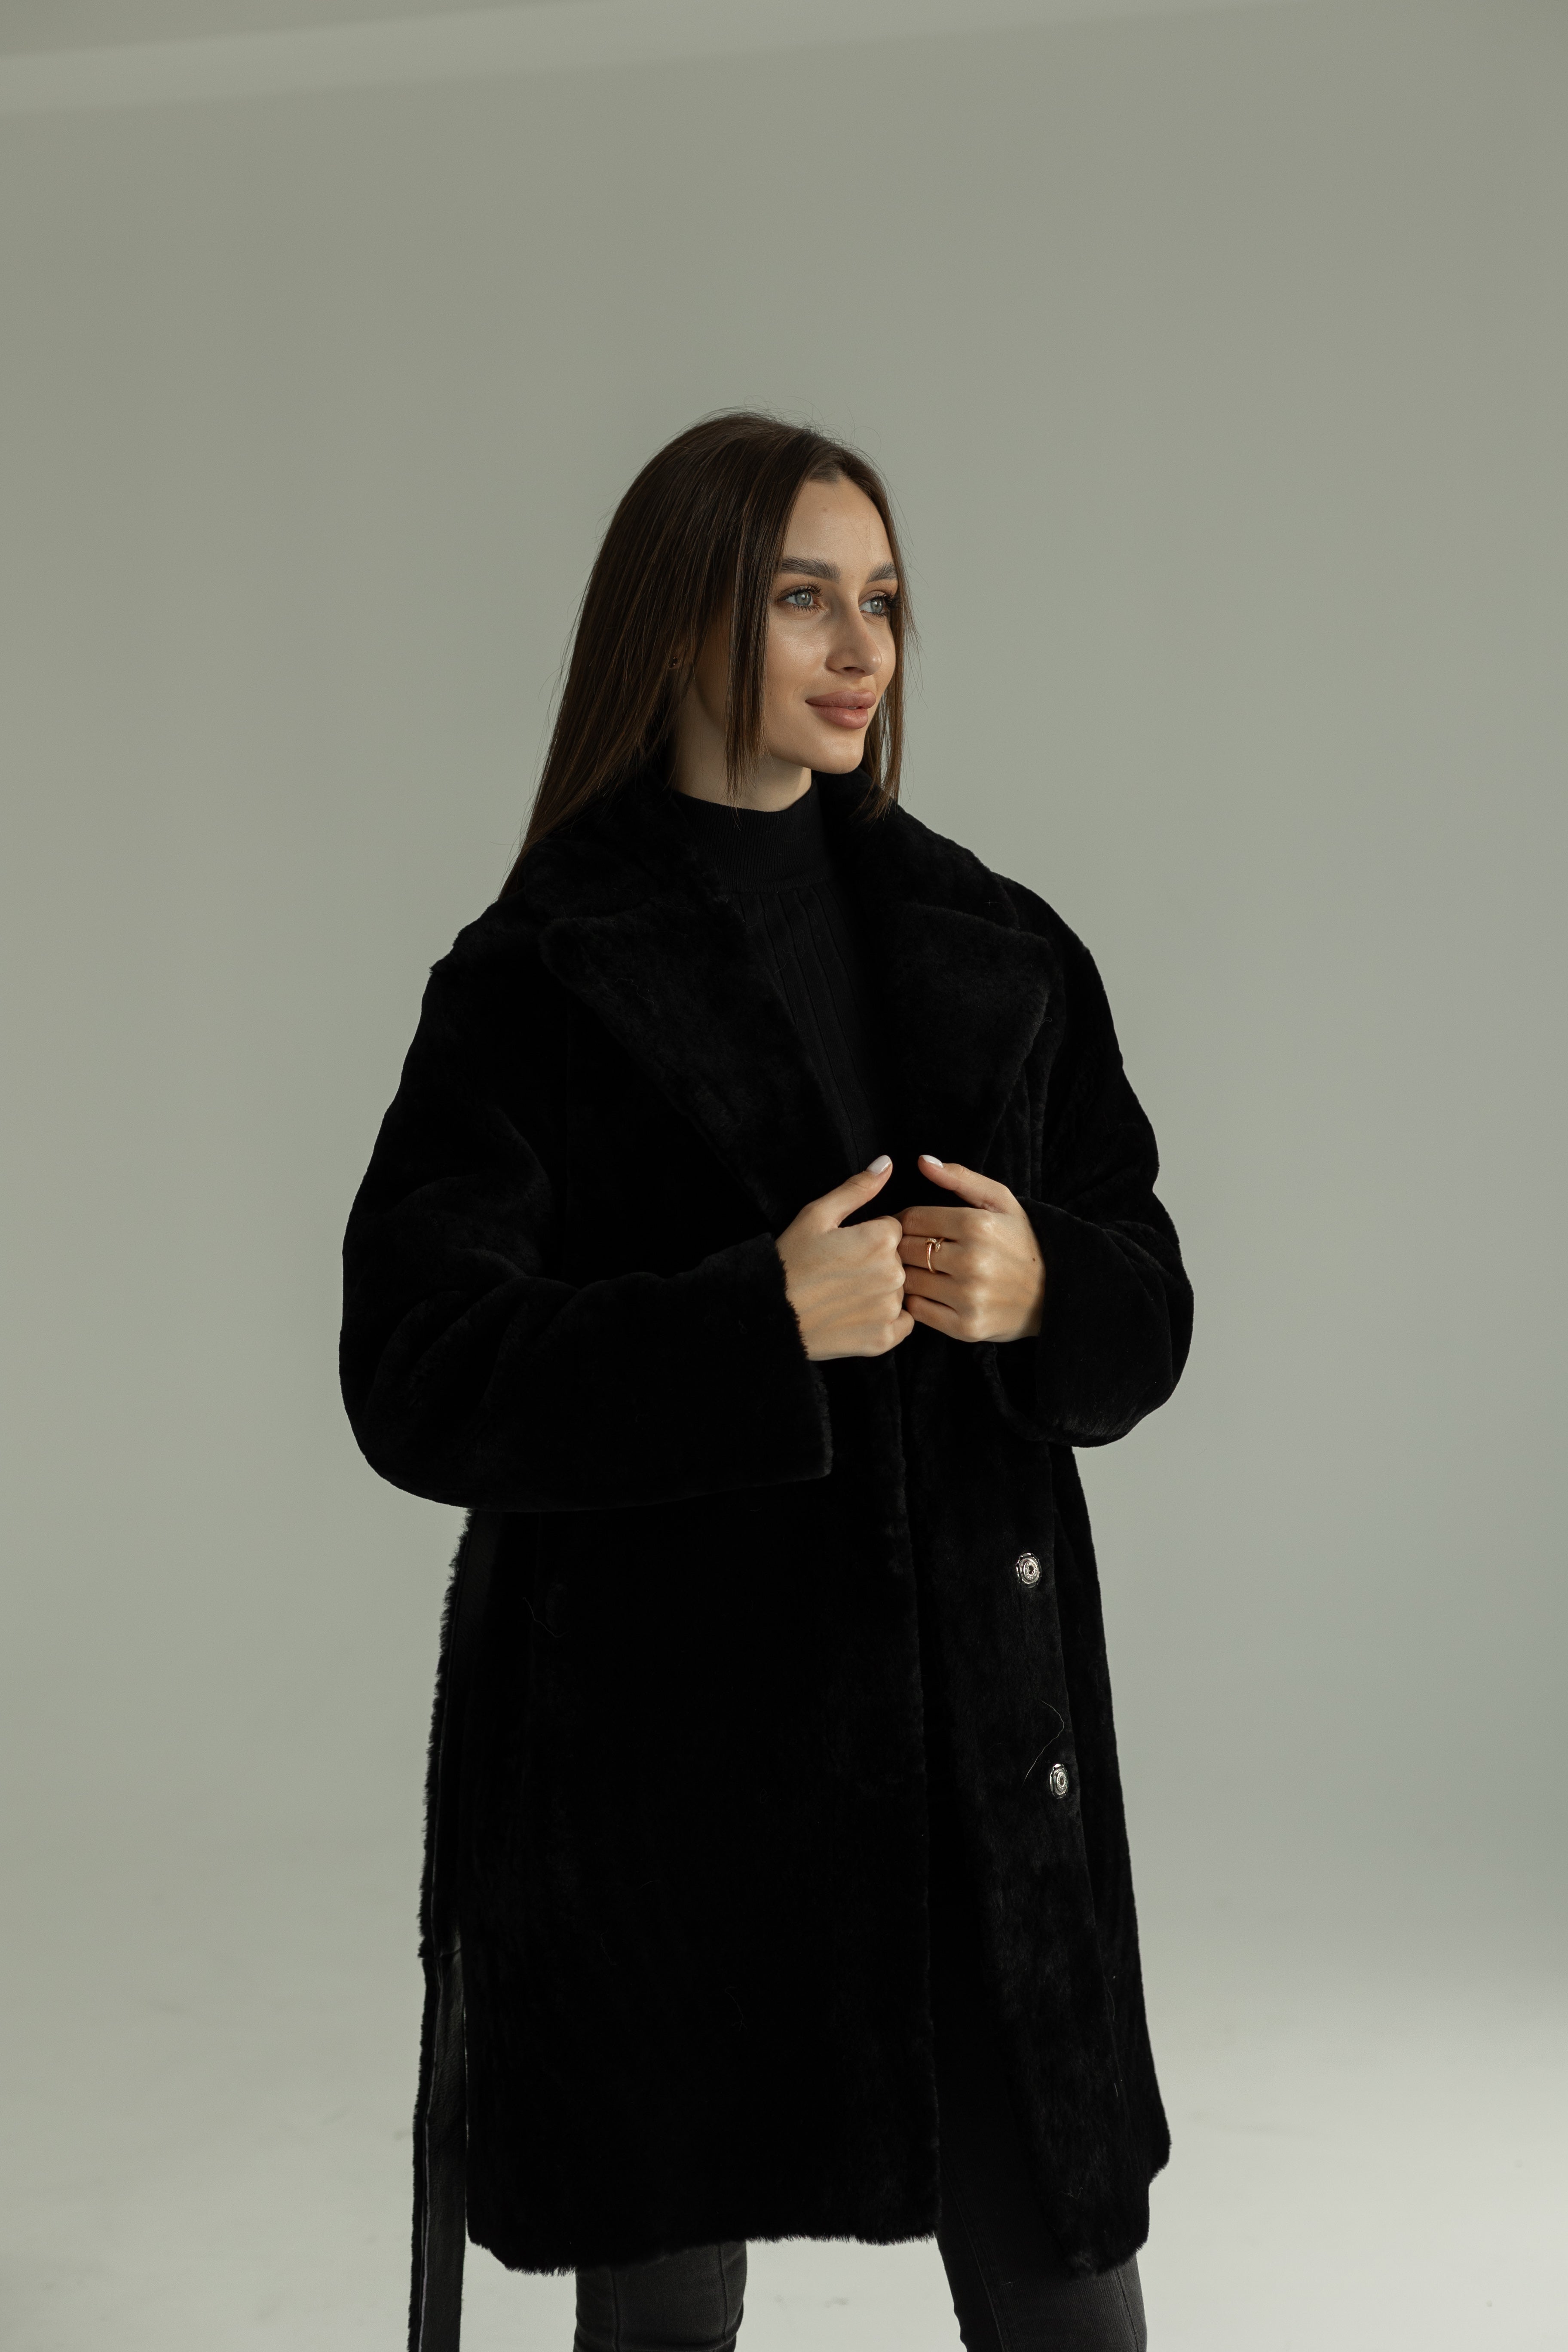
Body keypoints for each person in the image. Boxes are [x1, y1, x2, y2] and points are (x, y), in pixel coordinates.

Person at [340, 412, 1192, 2352]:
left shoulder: (1002, 950)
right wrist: (751, 1324)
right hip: (668, 1794)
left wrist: (1046, 1288)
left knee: (1069, 2298)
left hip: (980, 1774)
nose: (860, 646)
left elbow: (1149, 1293)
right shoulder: (540, 975)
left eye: (881, 600)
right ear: (679, 620)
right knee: (661, 2313)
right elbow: (414, 1366)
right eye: (804, 596)